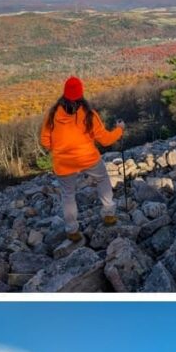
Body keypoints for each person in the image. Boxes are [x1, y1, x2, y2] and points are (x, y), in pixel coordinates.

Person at [39, 76, 124, 242]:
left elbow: (44, 141)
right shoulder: (89, 114)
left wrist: (57, 149)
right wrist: (120, 130)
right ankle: (109, 214)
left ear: (64, 94)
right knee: (102, 179)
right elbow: (105, 139)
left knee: (68, 195)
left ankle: (72, 231)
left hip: (63, 163)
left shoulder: (52, 114)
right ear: (81, 94)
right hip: (87, 158)